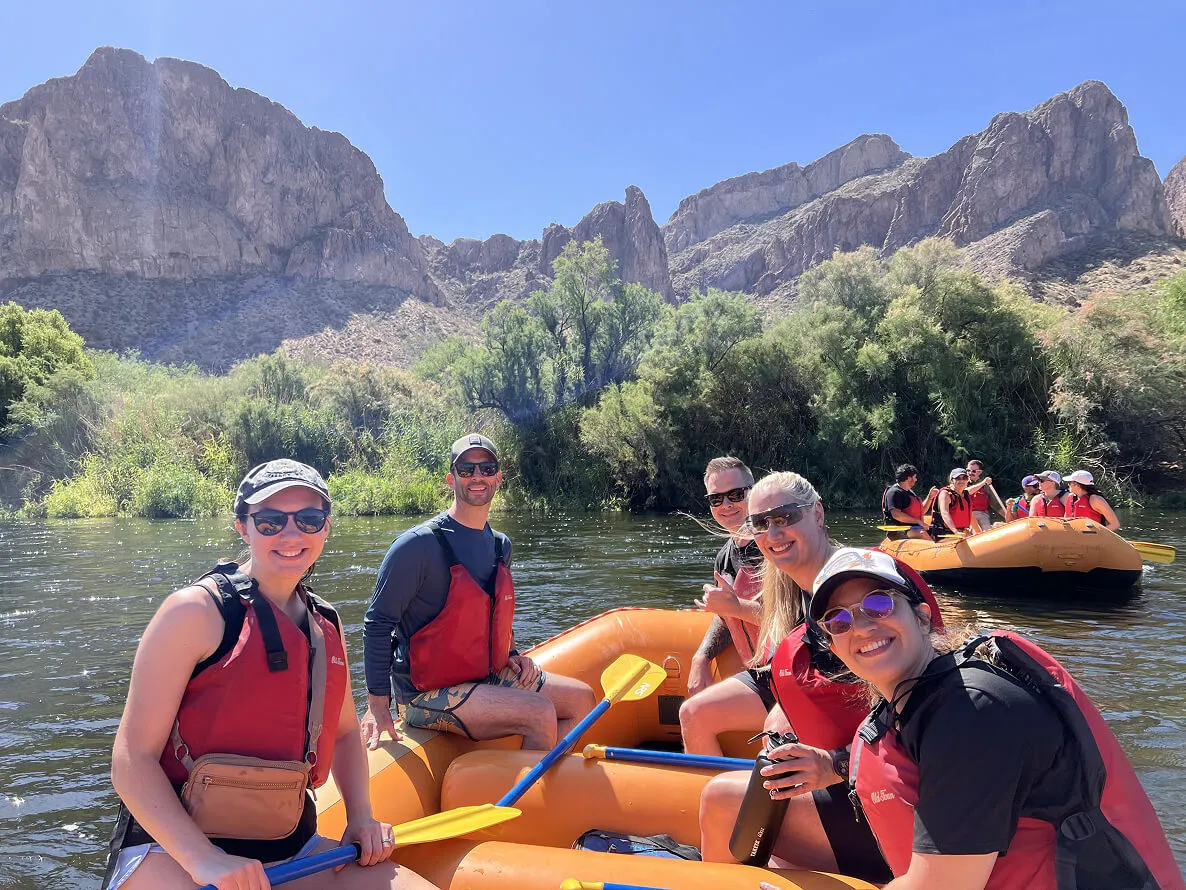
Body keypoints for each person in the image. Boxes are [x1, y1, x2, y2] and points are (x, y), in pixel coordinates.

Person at [759, 546, 1184, 890]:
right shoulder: (919, 696)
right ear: (833, 646)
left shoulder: (973, 712)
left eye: (878, 603)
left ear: (922, 615)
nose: (862, 626)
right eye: (839, 619)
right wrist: (833, 764)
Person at [103, 459, 438, 890]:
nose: (291, 534)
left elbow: (344, 734)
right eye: (270, 521)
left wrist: (361, 818)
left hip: (289, 845)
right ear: (243, 527)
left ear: (326, 528)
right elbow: (131, 760)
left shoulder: (325, 624)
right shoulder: (194, 612)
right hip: (173, 848)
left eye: (309, 519)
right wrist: (203, 859)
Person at [699, 472, 943, 886]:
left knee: (720, 800)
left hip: (896, 803)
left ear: (817, 512)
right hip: (848, 785)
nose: (774, 532)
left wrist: (836, 763)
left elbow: (933, 711)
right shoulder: (797, 595)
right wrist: (784, 708)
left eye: (786, 516)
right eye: (761, 523)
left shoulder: (873, 590)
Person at [361, 434, 595, 752]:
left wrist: (512, 656)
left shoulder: (500, 546)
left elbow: (492, 613)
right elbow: (377, 625)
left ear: (498, 478)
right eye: (466, 469)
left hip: (485, 677)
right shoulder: (416, 546)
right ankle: (529, 801)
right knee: (539, 712)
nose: (477, 477)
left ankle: (535, 783)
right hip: (423, 693)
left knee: (583, 700)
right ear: (451, 478)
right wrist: (377, 705)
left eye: (486, 468)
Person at [679, 457, 771, 755]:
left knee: (776, 744)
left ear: (753, 491)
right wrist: (701, 657)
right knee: (691, 713)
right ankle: (712, 796)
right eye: (716, 498)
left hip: (796, 674)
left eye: (736, 494)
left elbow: (794, 620)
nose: (727, 505)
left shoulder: (776, 545)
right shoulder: (724, 558)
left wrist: (737, 606)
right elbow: (726, 616)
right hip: (760, 677)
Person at [881, 464, 937, 540]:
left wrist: (930, 497)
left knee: (936, 531)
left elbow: (921, 511)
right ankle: (934, 549)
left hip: (912, 528)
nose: (916, 479)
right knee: (922, 533)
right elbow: (896, 515)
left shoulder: (910, 493)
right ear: (908, 478)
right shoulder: (894, 492)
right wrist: (918, 521)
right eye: (914, 477)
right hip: (897, 531)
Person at [930, 468, 981, 537]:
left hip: (962, 531)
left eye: (964, 478)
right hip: (944, 533)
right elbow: (944, 513)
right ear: (952, 480)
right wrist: (955, 531)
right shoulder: (946, 493)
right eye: (958, 478)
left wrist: (979, 533)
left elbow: (970, 515)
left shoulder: (965, 495)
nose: (961, 481)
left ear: (968, 480)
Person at [964, 459, 1004, 529]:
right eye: (968, 470)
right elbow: (966, 492)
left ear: (979, 472)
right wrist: (983, 483)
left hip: (982, 515)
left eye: (973, 471)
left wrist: (1008, 516)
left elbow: (996, 505)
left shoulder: (986, 487)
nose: (970, 473)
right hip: (965, 515)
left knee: (986, 528)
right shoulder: (961, 484)